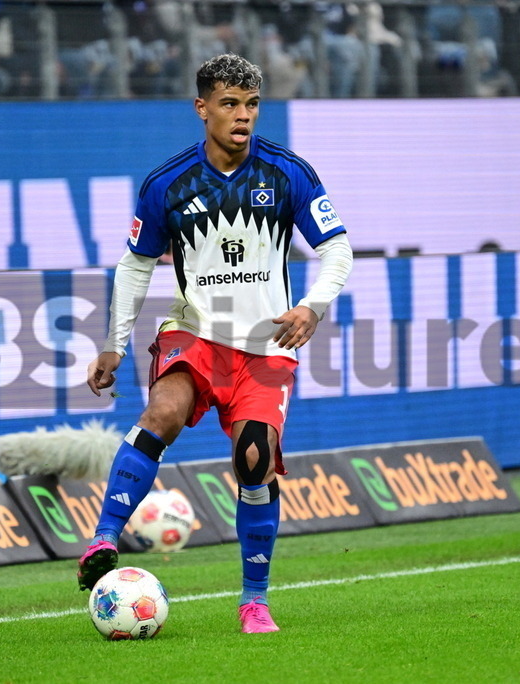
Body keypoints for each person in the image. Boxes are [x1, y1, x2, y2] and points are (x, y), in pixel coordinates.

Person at [79, 53, 353, 634]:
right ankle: (103, 539)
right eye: (230, 103)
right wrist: (114, 344)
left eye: (252, 104)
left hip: (264, 346)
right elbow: (135, 267)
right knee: (163, 411)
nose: (243, 116)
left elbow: (337, 250)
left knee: (253, 458)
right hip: (194, 334)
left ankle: (254, 600)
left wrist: (311, 305)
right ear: (201, 108)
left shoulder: (288, 174)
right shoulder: (167, 184)